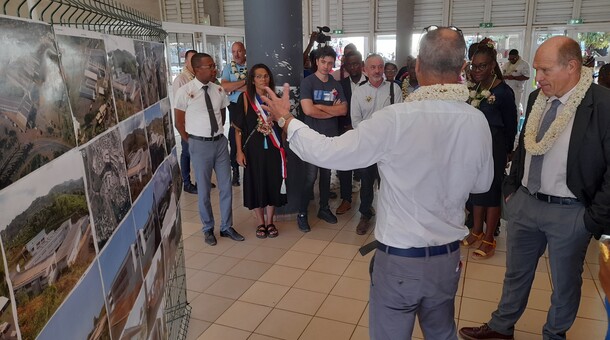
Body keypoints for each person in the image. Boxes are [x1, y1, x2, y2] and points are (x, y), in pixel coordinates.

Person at [261, 27, 493, 339]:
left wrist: (286, 120)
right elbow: (482, 184)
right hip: (446, 259)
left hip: (400, 260)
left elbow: (330, 152)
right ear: (462, 67)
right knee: (442, 332)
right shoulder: (476, 120)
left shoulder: (396, 119)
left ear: (417, 68)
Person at [460, 36, 610, 340]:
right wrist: (512, 191)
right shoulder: (535, 98)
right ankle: (502, 328)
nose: (537, 77)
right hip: (526, 203)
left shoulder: (603, 104)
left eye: (545, 70)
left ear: (571, 67)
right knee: (515, 274)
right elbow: (524, 148)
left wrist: (591, 220)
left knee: (565, 284)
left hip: (571, 213)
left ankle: (554, 335)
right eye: (537, 70)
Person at [174, 53, 245, 246]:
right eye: (210, 66)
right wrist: (192, 142)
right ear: (197, 70)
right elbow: (179, 122)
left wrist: (216, 133)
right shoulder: (184, 91)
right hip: (199, 144)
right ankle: (208, 228)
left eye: (214, 65)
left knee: (226, 187)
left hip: (220, 143)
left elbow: (221, 113)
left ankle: (226, 227)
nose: (215, 69)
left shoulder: (219, 90)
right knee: (204, 190)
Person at [462, 42, 517, 259]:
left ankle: (489, 237)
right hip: (476, 146)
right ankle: (476, 230)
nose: (477, 71)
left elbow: (511, 124)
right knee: (477, 188)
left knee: (492, 190)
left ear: (493, 65)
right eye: (474, 66)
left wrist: (508, 152)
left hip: (495, 146)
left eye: (482, 66)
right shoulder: (474, 89)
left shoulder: (503, 92)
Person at [350, 53, 403, 235]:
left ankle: (391, 216)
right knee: (366, 181)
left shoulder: (393, 89)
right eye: (373, 67)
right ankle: (365, 214)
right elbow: (355, 120)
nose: (378, 70)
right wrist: (371, 138)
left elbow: (399, 118)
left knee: (389, 182)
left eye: (380, 66)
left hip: (389, 147)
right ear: (365, 69)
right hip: (368, 146)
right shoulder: (359, 91)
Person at [297, 46, 348, 232]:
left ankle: (324, 208)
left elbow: (343, 110)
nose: (327, 66)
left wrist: (320, 106)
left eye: (330, 63)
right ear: (316, 61)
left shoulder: (336, 84)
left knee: (326, 175)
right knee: (310, 177)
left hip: (330, 137)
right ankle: (302, 213)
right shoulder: (308, 83)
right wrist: (330, 111)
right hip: (312, 138)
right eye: (323, 62)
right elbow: (308, 110)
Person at [234, 64, 287, 239]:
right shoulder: (245, 98)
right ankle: (260, 222)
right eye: (258, 76)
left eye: (265, 76)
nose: (262, 79)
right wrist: (239, 152)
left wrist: (277, 119)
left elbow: (284, 124)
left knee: (272, 181)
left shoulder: (275, 98)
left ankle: (270, 220)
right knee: (256, 183)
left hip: (273, 148)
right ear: (252, 79)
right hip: (253, 150)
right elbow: (238, 129)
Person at [171, 49, 213, 193]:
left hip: (201, 125)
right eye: (191, 60)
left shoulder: (203, 79)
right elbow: (180, 106)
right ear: (186, 62)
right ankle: (187, 183)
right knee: (188, 152)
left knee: (200, 155)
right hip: (188, 125)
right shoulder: (181, 80)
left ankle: (202, 182)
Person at [336, 50, 367, 216]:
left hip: (366, 133)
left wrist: (360, 127)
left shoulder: (370, 83)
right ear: (346, 66)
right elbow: (338, 107)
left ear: (362, 64)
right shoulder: (340, 85)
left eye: (357, 63)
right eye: (350, 64)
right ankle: (346, 199)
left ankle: (366, 204)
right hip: (345, 131)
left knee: (365, 169)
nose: (354, 67)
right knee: (345, 167)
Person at [221, 42, 248, 187]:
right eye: (233, 52)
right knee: (234, 137)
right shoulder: (228, 68)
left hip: (249, 106)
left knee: (249, 137)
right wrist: (244, 82)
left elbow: (253, 87)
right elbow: (224, 86)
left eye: (239, 51)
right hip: (234, 107)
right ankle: (235, 171)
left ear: (244, 51)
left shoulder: (251, 65)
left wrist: (234, 86)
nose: (236, 54)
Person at [501, 49, 531, 114]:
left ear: (517, 56)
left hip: (517, 89)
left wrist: (514, 77)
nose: (511, 60)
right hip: (506, 88)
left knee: (515, 106)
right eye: (510, 59)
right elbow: (502, 74)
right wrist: (504, 77)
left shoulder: (524, 64)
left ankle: (516, 123)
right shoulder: (507, 64)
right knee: (505, 106)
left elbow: (527, 77)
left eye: (513, 59)